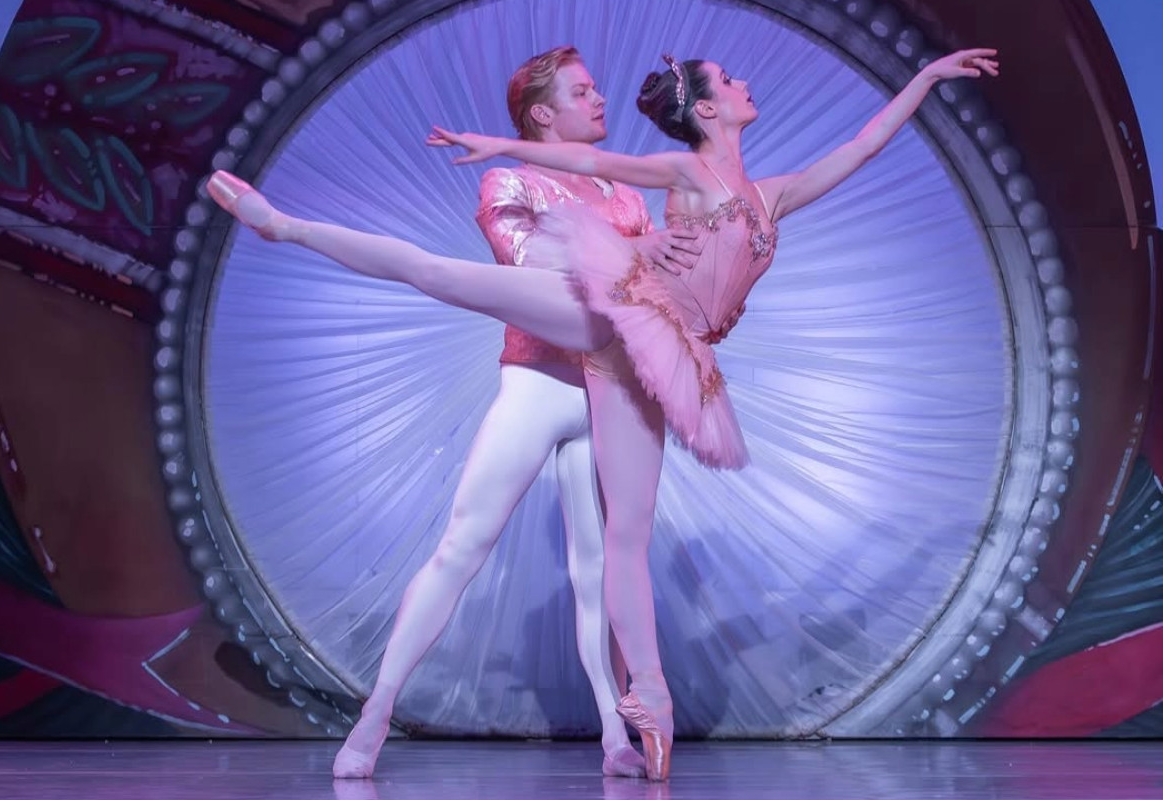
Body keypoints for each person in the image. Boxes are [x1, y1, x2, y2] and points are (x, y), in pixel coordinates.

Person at [206, 48, 999, 780]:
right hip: (604, 318)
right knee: (437, 275)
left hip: (654, 355)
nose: (746, 85)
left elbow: (860, 149)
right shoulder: (678, 172)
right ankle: (285, 227)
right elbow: (585, 162)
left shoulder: (766, 195)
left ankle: (644, 704)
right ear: (708, 107)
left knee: (626, 537)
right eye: (731, 80)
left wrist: (926, 79)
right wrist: (501, 146)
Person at [323, 46, 703, 779]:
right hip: (537, 382)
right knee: (464, 544)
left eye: (596, 88)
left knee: (600, 567)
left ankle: (613, 734)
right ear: (541, 114)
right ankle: (374, 714)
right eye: (582, 92)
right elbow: (532, 267)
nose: (599, 100)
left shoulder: (622, 197)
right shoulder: (511, 180)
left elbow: (642, 294)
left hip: (608, 389)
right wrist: (636, 263)